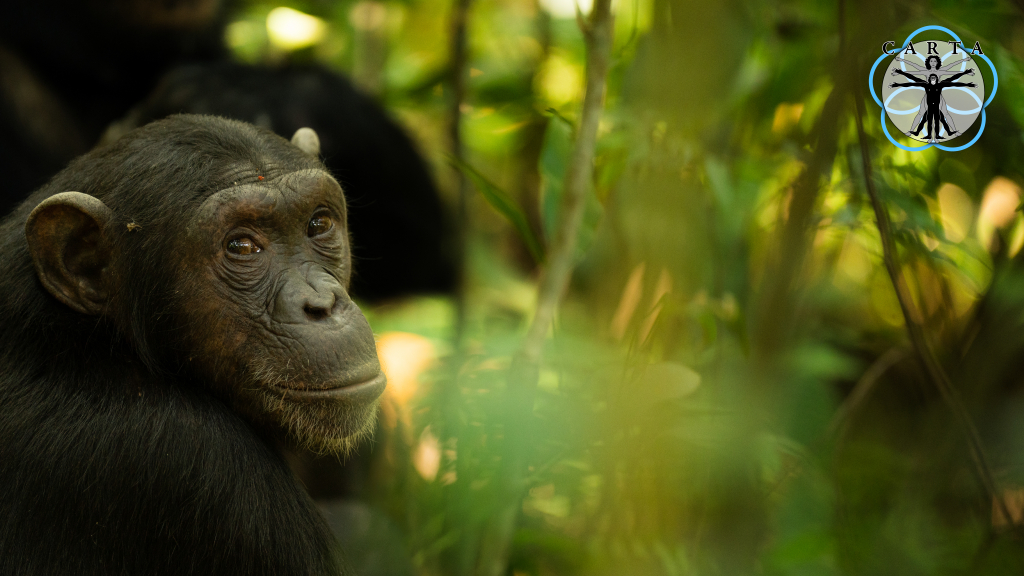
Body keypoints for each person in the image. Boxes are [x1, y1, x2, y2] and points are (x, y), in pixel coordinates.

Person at [891, 54, 973, 137]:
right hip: (928, 95)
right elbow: (913, 73)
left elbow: (952, 71)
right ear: (928, 62)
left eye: (935, 61)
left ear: (938, 62)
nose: (933, 63)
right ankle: (912, 131)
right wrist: (902, 63)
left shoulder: (941, 73)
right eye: (931, 61)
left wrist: (964, 62)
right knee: (922, 115)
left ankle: (953, 131)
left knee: (944, 115)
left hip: (938, 95)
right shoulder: (925, 72)